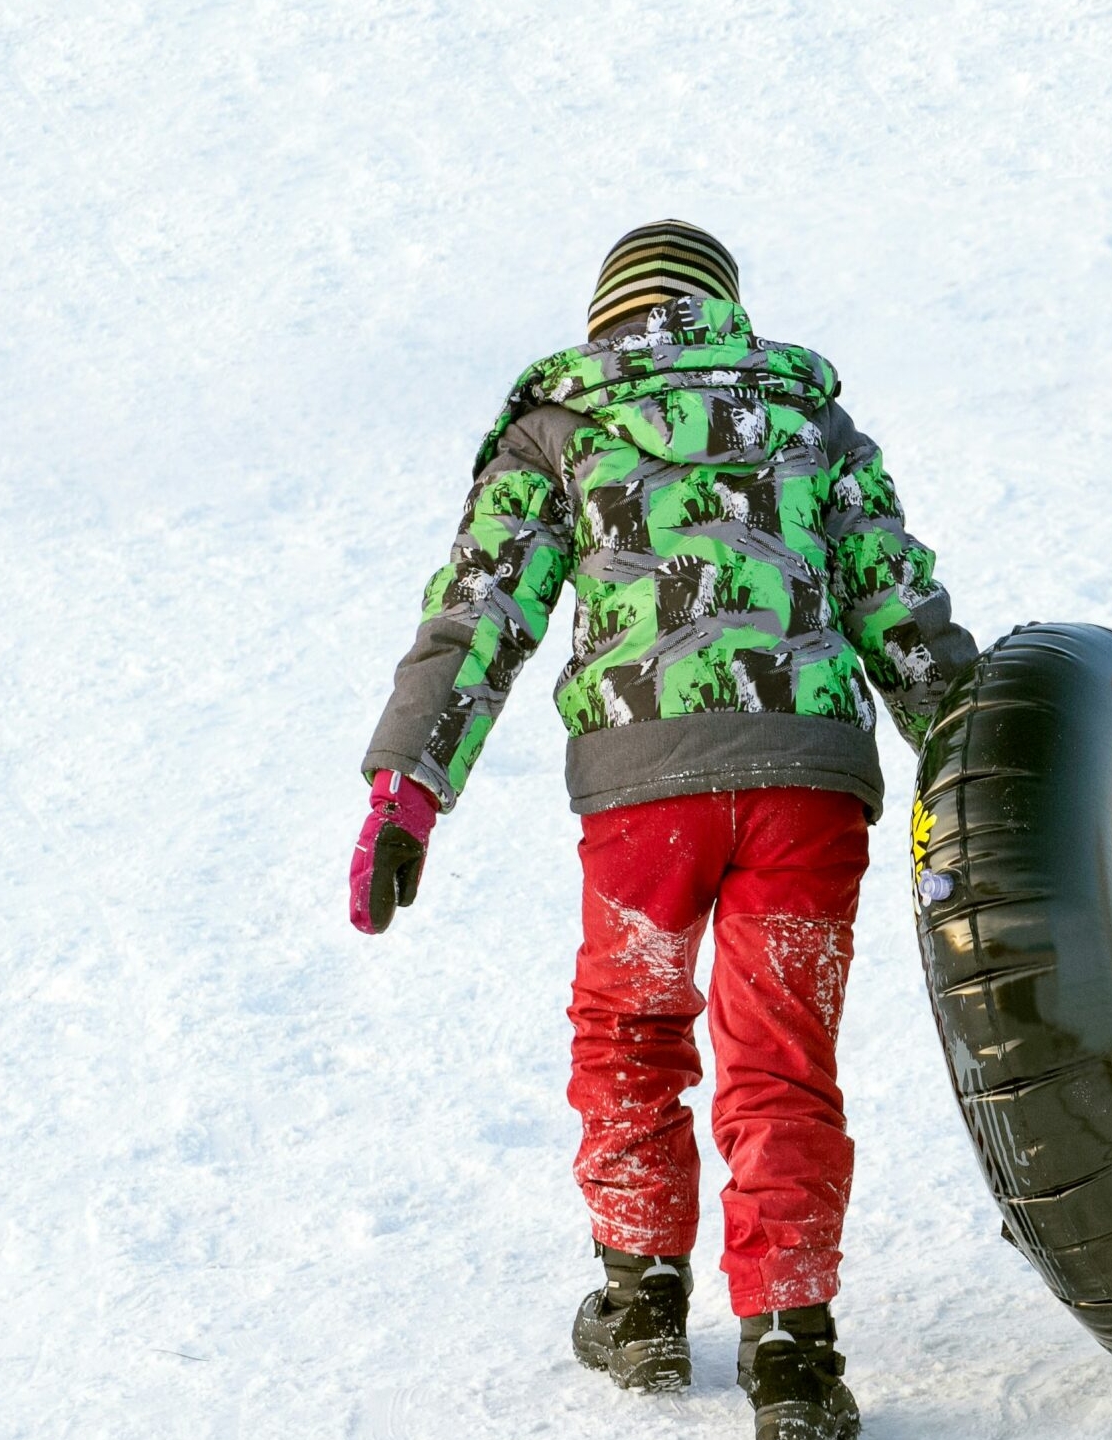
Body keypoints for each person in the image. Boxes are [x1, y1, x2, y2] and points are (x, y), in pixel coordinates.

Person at [349, 219, 977, 1440]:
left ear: (606, 322)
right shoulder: (808, 423)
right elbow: (901, 611)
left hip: (647, 795)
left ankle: (641, 1301)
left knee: (630, 1021)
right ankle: (793, 1349)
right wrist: (975, 774)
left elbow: (480, 614)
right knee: (779, 1054)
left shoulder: (560, 428)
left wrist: (408, 788)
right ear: (724, 315)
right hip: (807, 784)